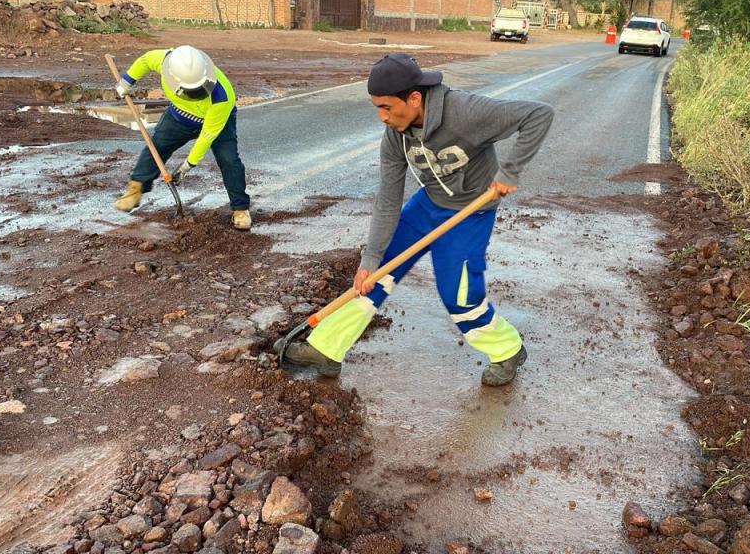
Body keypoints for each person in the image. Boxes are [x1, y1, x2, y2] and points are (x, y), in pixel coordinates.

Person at [276, 53, 554, 386]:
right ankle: (326, 348)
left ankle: (507, 350)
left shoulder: (465, 113)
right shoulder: (395, 134)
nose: (381, 117)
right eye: (376, 108)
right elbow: (389, 198)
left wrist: (509, 171)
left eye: (387, 108)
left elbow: (539, 114)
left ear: (414, 98)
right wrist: (370, 257)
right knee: (375, 273)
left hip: (470, 212)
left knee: (459, 296)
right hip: (429, 204)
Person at [113, 45, 252, 230]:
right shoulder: (165, 61)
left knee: (229, 160)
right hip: (179, 117)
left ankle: (240, 209)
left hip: (219, 122)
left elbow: (207, 136)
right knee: (157, 147)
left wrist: (188, 165)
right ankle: (135, 190)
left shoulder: (222, 96)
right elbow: (145, 60)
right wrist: (127, 81)